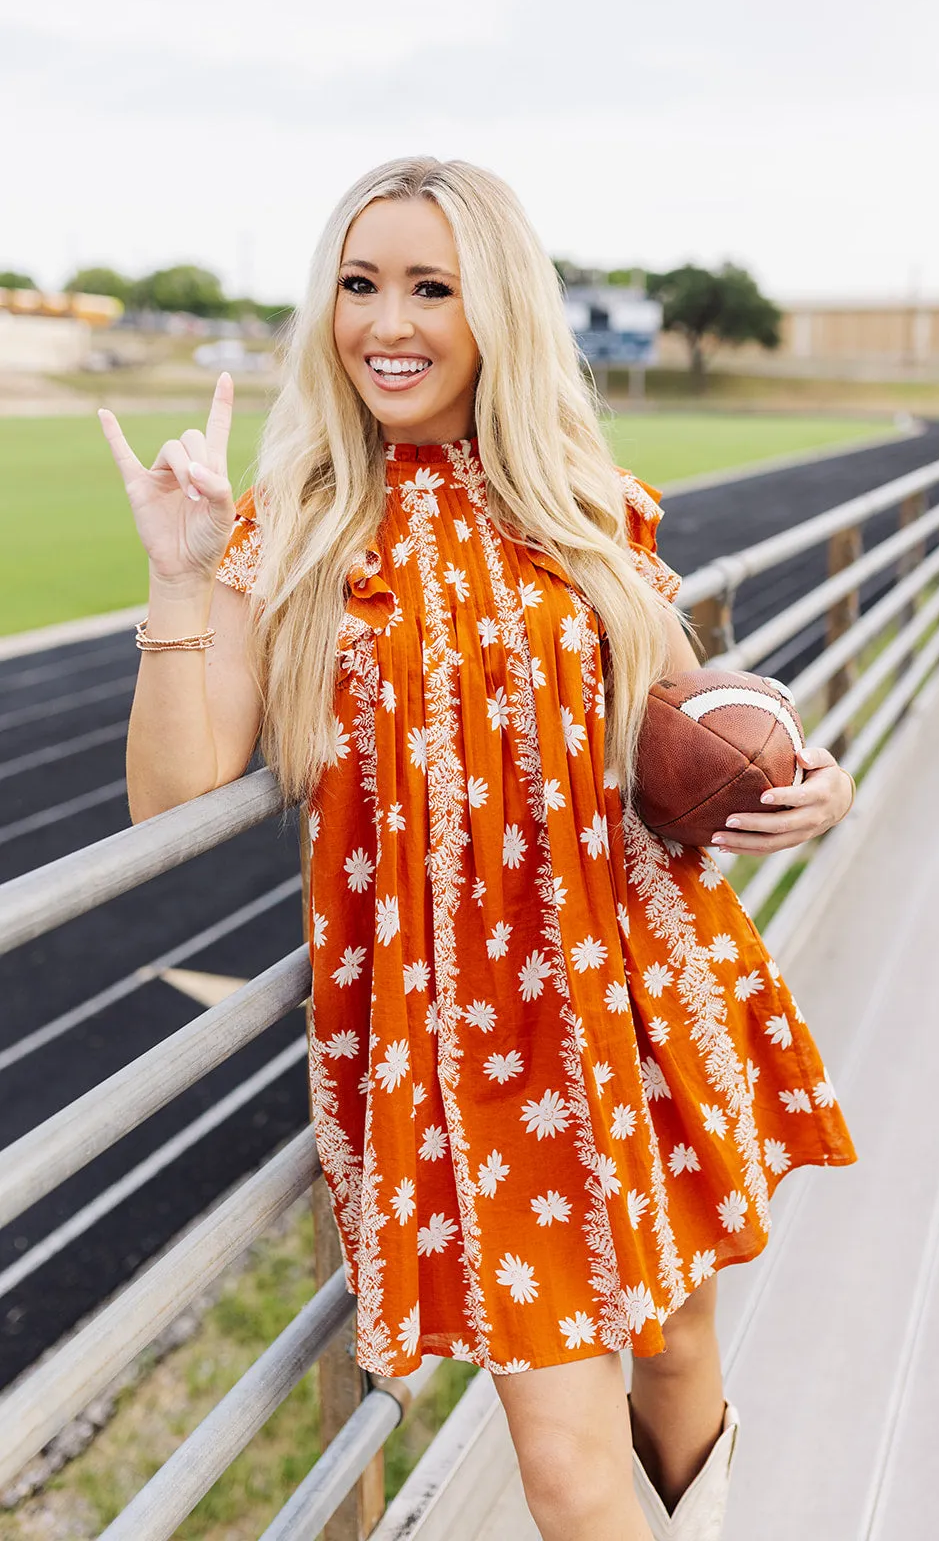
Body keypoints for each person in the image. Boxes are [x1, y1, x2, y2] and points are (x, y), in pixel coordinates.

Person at [100, 156, 857, 1541]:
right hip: (464, 1051)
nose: (387, 321)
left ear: (496, 308)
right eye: (359, 285)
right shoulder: (297, 534)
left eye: (430, 287)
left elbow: (695, 734)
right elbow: (171, 796)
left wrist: (815, 785)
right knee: (568, 1469)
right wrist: (180, 575)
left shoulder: (584, 508)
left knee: (678, 1345)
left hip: (634, 986)